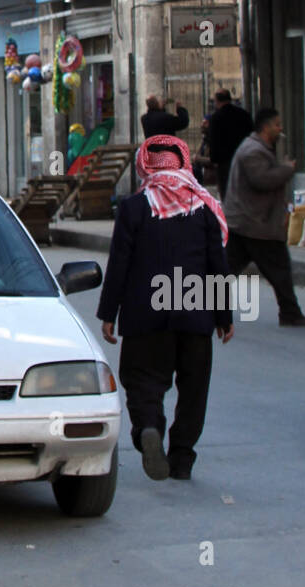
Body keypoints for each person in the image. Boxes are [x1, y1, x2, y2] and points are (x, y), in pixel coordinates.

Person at [96, 136, 234, 482]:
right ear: (184, 163)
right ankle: (182, 458)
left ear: (145, 164)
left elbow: (119, 264)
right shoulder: (202, 205)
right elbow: (217, 262)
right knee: (194, 387)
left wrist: (108, 313)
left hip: (145, 313)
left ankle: (148, 428)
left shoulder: (133, 207)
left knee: (142, 379)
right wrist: (224, 316)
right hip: (195, 310)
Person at [222, 108, 305, 328]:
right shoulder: (253, 152)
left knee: (228, 268)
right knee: (279, 268)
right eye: (277, 124)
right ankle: (290, 313)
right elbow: (262, 180)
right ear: (265, 127)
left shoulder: (257, 149)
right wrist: (286, 170)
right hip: (255, 223)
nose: (280, 129)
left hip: (247, 222)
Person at [207, 89, 253, 199]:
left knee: (227, 194)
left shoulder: (216, 118)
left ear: (217, 101)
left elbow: (213, 141)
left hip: (225, 163)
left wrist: (214, 159)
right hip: (244, 160)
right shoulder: (244, 115)